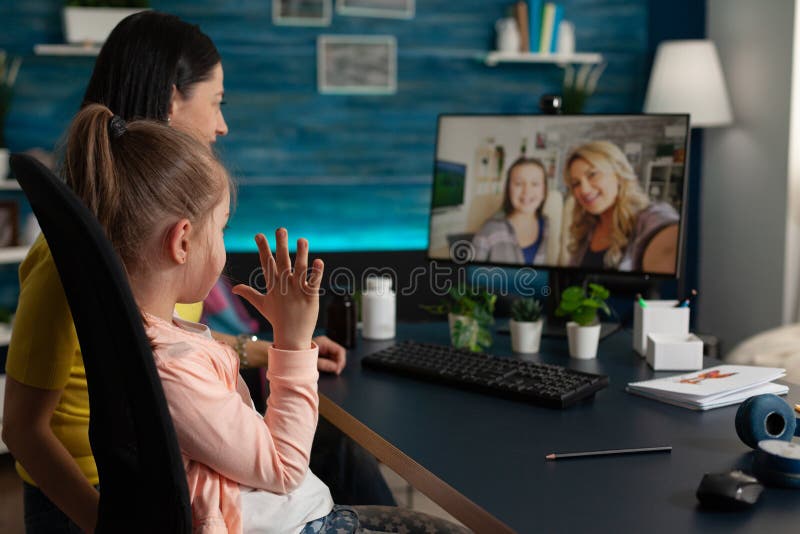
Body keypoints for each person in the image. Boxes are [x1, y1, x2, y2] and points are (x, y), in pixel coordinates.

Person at [1, 11, 390, 534]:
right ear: (171, 100)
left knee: (339, 454)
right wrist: (108, 525)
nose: (223, 124)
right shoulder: (70, 258)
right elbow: (24, 430)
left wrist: (273, 347)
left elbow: (171, 347)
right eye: (217, 101)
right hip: (101, 493)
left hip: (176, 459)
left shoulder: (145, 262)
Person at [66, 103, 466, 533]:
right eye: (220, 229)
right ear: (182, 241)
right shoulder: (173, 367)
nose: (222, 245)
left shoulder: (154, 340)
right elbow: (283, 466)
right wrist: (293, 342)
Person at [562, 140, 680, 273]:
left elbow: (669, 241)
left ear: (618, 175)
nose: (584, 190)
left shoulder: (648, 217)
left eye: (592, 175)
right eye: (576, 183)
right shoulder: (587, 226)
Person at [472, 157, 549, 264]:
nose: (527, 191)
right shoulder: (490, 229)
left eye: (535, 184)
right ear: (508, 189)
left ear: (544, 190)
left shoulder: (547, 225)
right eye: (518, 184)